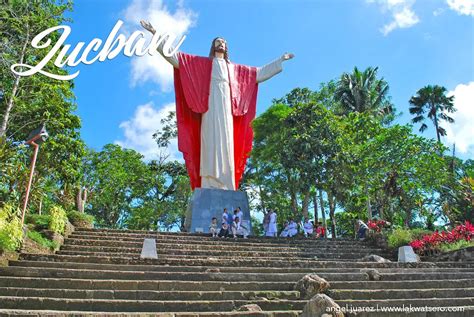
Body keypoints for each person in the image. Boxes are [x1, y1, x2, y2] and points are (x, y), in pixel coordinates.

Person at [140, 21, 294, 191]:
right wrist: (155, 33)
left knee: (227, 140)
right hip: (210, 106)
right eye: (217, 41)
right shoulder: (201, 64)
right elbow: (175, 58)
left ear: (226, 47)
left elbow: (259, 73)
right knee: (209, 138)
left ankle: (226, 182)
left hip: (227, 107)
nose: (221, 43)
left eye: (223, 42)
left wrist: (280, 60)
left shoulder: (236, 70)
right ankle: (209, 180)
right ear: (213, 46)